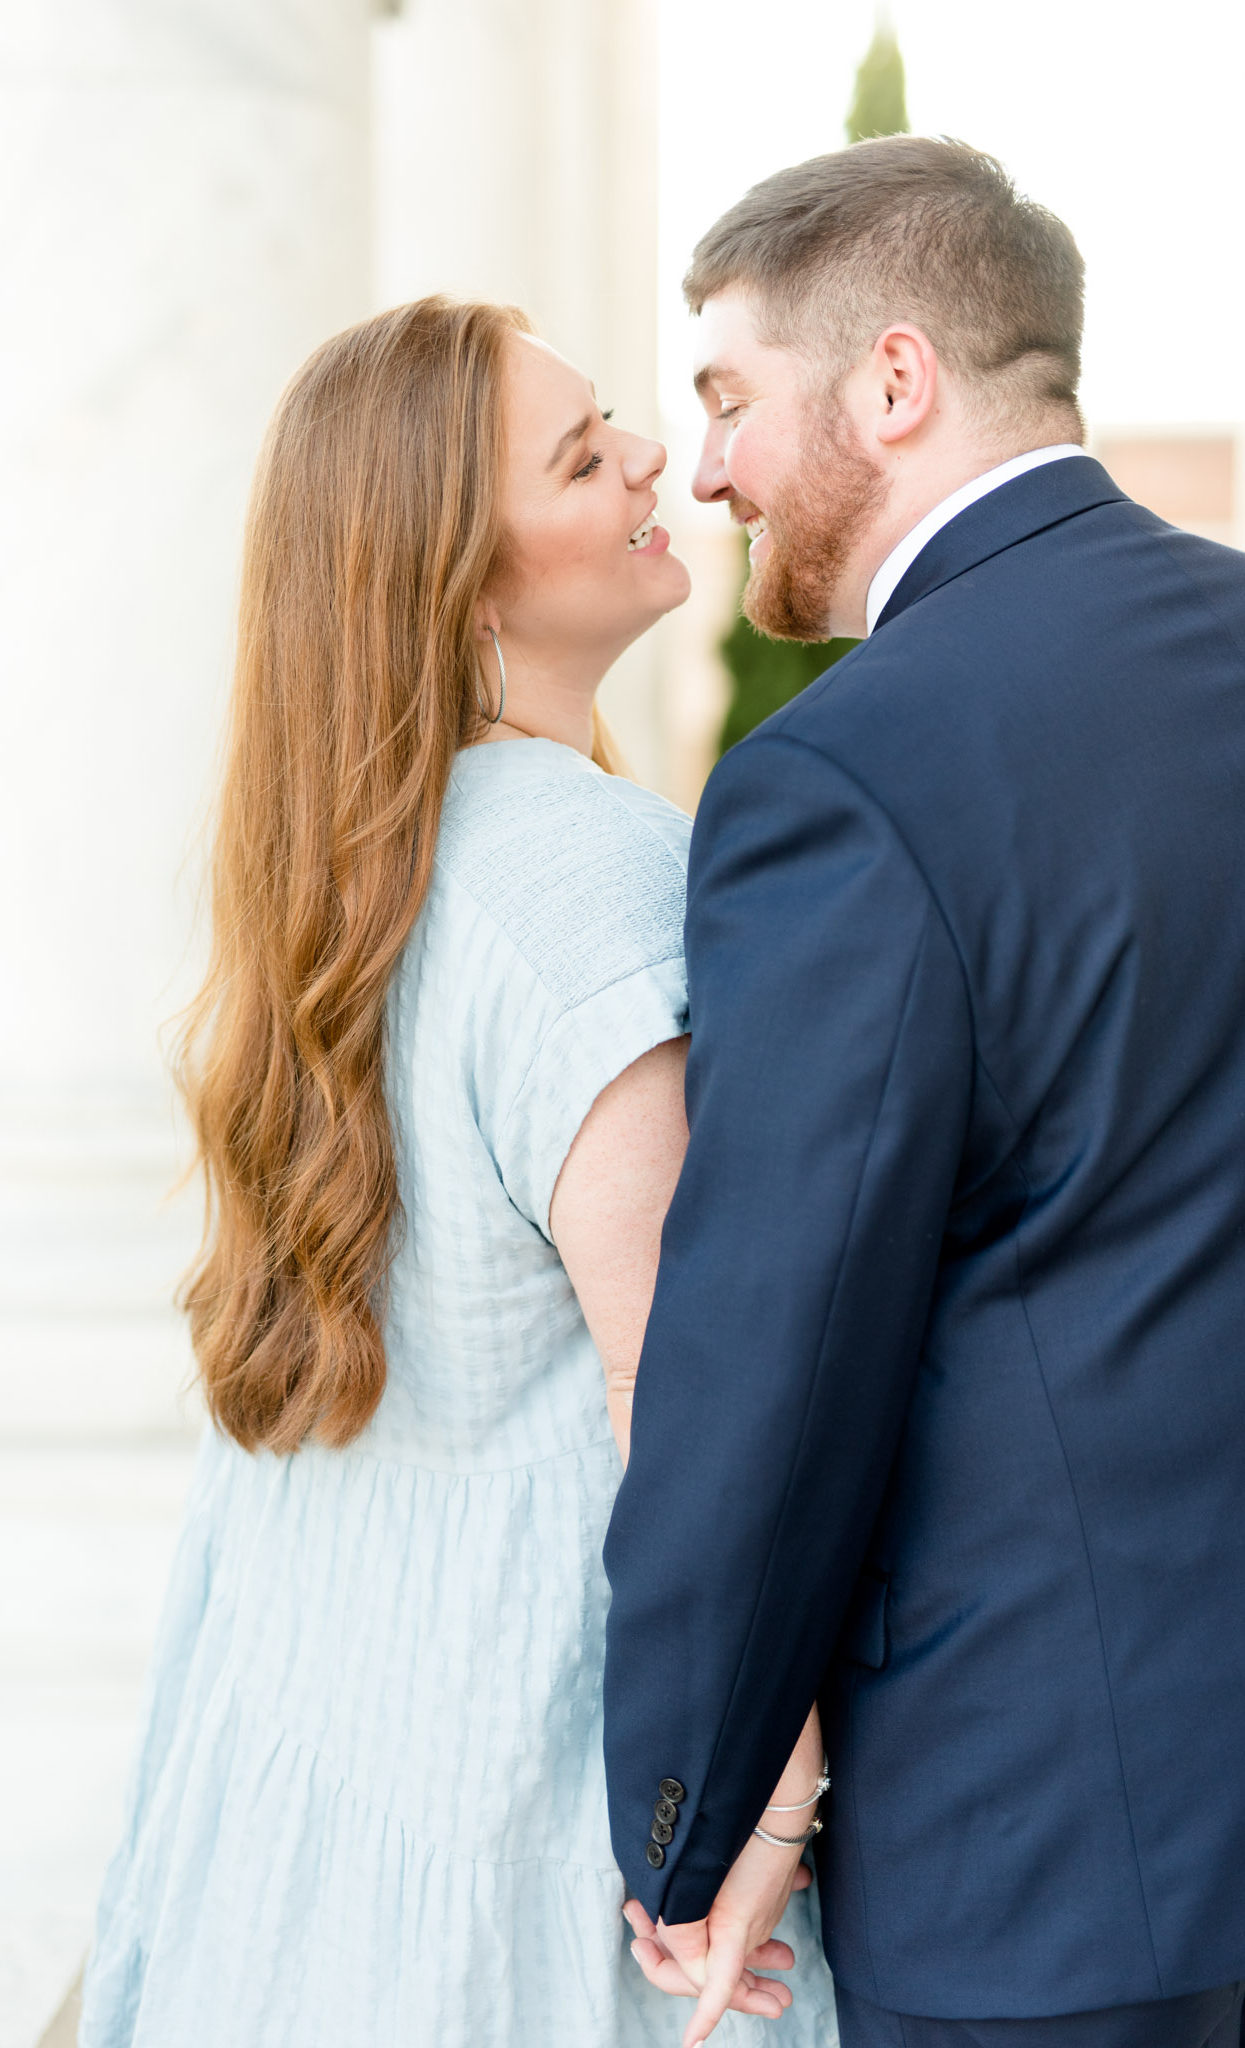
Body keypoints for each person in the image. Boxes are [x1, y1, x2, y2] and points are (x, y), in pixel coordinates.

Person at [77, 296, 838, 2046]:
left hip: (315, 1797)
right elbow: (690, 1396)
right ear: (461, 583)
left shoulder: (350, 872)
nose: (657, 454)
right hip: (532, 1831)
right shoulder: (589, 880)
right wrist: (773, 1811)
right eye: (584, 458)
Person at [603, 137, 1245, 2048]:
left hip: (1041, 1854)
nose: (704, 468)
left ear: (896, 383)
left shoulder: (846, 778)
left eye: (726, 398)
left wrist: (696, 1812)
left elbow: (781, 1361)